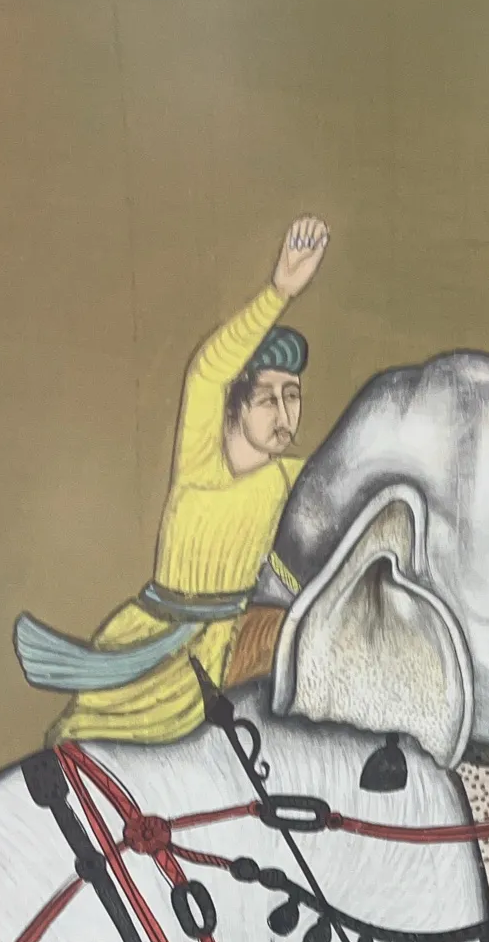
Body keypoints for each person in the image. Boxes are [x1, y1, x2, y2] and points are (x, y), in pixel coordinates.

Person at [36, 214, 330, 747]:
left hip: (224, 649)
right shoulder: (201, 460)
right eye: (268, 398)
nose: (286, 413)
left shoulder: (293, 477)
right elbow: (208, 371)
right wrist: (279, 292)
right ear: (235, 406)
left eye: (293, 396)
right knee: (90, 746)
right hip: (156, 639)